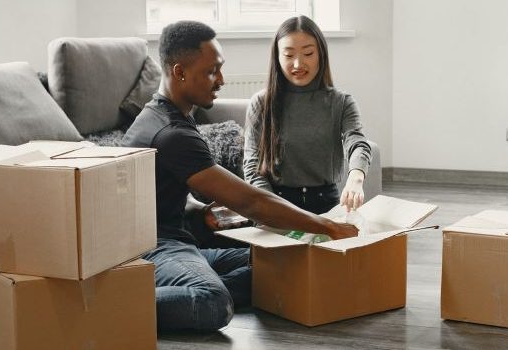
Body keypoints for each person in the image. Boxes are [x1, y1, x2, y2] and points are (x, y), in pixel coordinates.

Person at [122, 20, 358, 331]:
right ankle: (111, 303)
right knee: (212, 302)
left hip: (177, 240)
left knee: (280, 265)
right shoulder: (172, 132)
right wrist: (326, 226)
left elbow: (161, 191)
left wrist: (200, 211)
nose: (220, 80)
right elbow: (251, 201)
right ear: (179, 72)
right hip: (157, 247)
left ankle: (188, 284)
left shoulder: (166, 114)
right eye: (212, 71)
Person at [244, 16, 372, 215]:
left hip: (327, 205)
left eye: (308, 53)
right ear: (277, 57)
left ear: (320, 54)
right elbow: (252, 167)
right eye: (288, 55)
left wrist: (356, 178)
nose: (298, 64)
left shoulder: (342, 102)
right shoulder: (261, 103)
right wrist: (273, 210)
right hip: (275, 204)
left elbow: (357, 143)